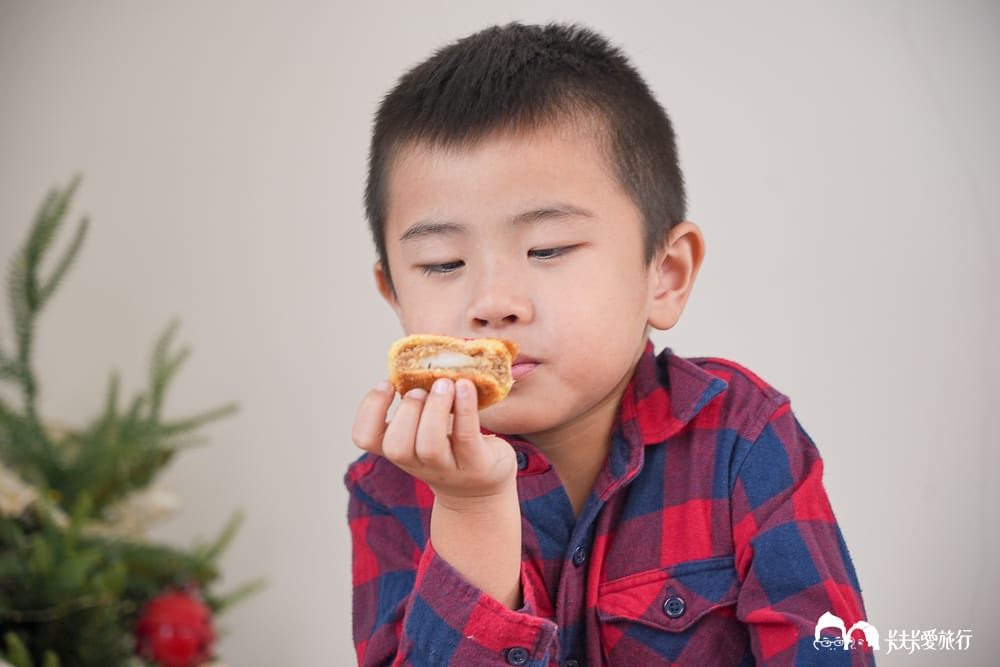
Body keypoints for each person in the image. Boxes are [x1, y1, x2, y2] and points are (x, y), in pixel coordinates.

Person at [346, 22, 873, 666]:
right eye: (442, 263)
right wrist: (469, 512)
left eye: (548, 250)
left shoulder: (744, 438)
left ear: (665, 275)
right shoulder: (391, 486)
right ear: (394, 296)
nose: (491, 303)